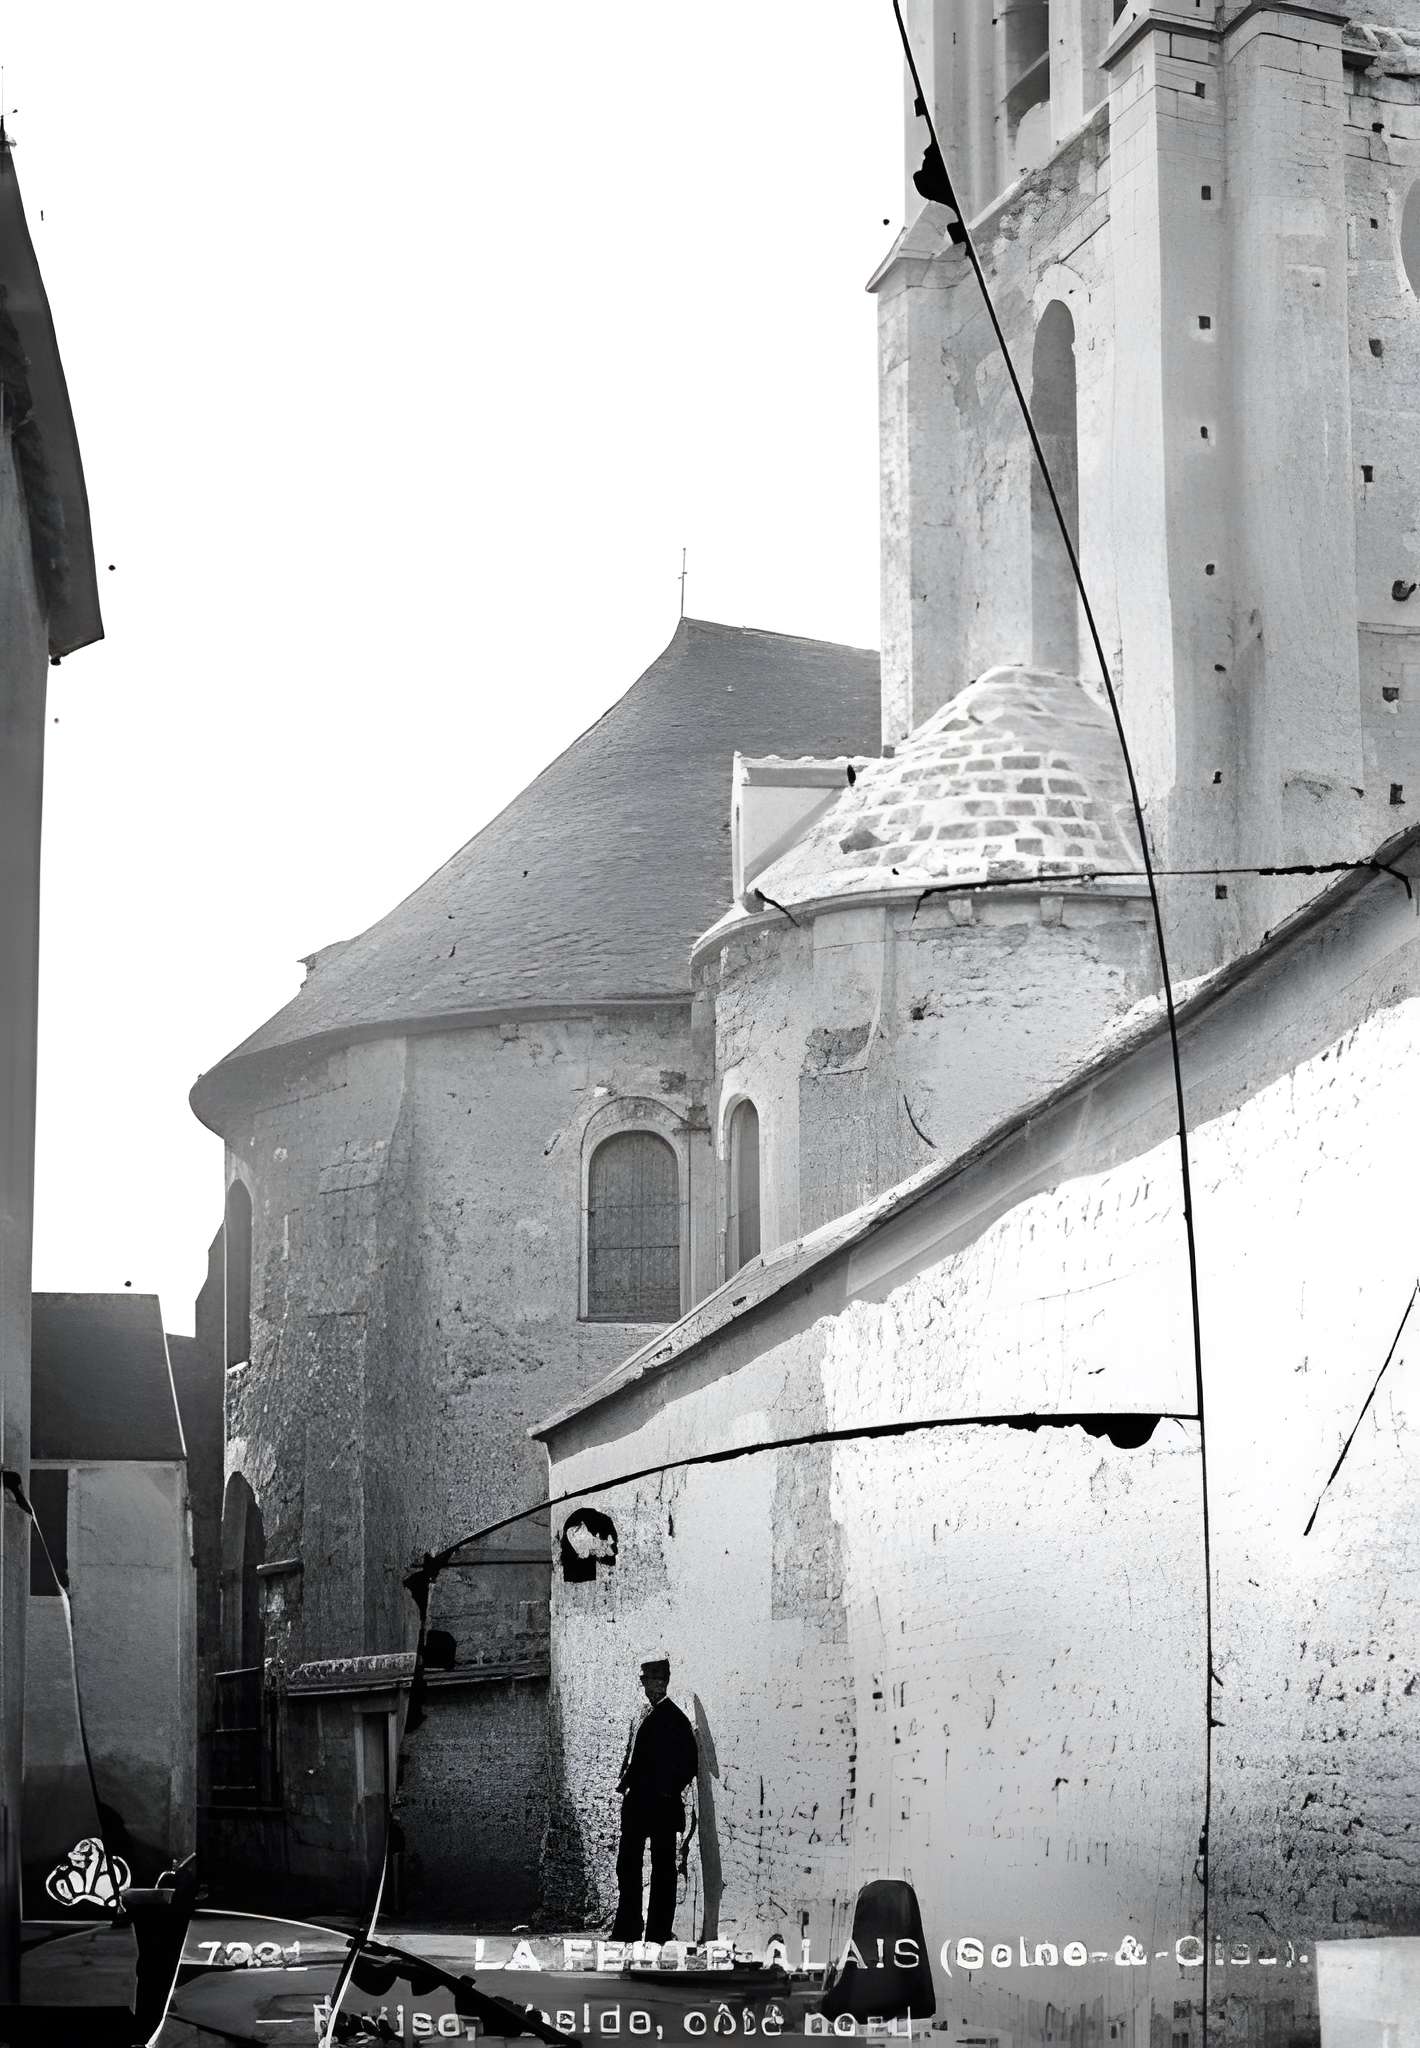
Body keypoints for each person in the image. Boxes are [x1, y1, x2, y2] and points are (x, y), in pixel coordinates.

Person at [611, 1655, 698, 1944]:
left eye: (652, 1680)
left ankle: (657, 1934)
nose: (648, 1686)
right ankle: (628, 1928)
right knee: (628, 1866)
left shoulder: (675, 1719)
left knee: (663, 1871)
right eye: (646, 1680)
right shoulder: (646, 1715)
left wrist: (665, 1792)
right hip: (639, 1806)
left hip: (661, 1807)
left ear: (663, 1683)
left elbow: (688, 1764)